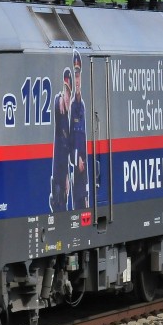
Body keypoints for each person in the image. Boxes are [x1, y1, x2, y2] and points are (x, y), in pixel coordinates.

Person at [50, 67, 72, 212]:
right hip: (57, 179)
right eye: (66, 93)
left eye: (69, 95)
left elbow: (67, 154)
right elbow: (58, 105)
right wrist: (60, 99)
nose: (67, 98)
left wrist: (67, 178)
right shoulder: (60, 110)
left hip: (62, 178)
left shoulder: (69, 121)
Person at [70, 52, 89, 209]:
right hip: (77, 169)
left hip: (85, 168)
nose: (77, 80)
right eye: (75, 76)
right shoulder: (72, 107)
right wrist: (77, 160)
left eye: (79, 76)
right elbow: (70, 140)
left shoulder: (81, 105)